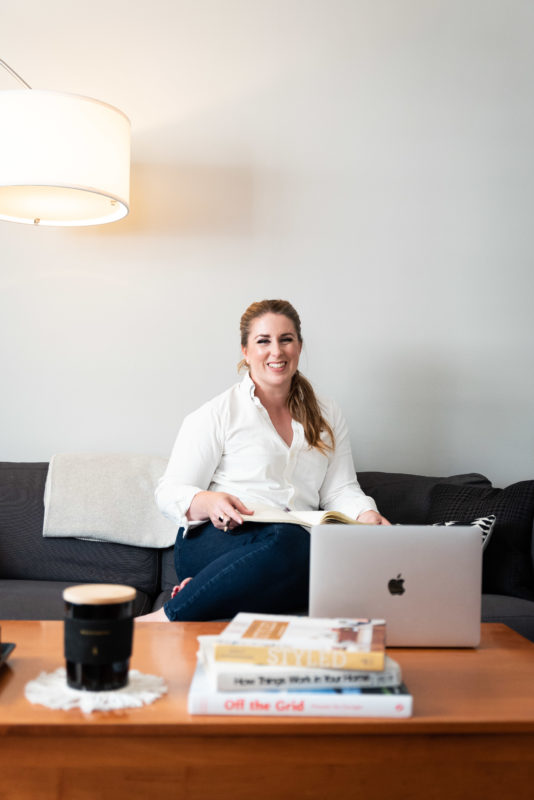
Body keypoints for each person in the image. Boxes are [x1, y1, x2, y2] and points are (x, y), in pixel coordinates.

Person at [138, 299, 390, 622]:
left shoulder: (328, 414)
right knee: (293, 542)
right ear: (245, 351)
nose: (277, 351)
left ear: (299, 346)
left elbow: (340, 489)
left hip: (294, 547)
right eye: (263, 341)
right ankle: (167, 616)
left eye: (286, 339)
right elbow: (169, 491)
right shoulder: (217, 414)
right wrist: (210, 501)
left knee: (329, 561)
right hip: (220, 539)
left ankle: (211, 592)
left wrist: (366, 513)